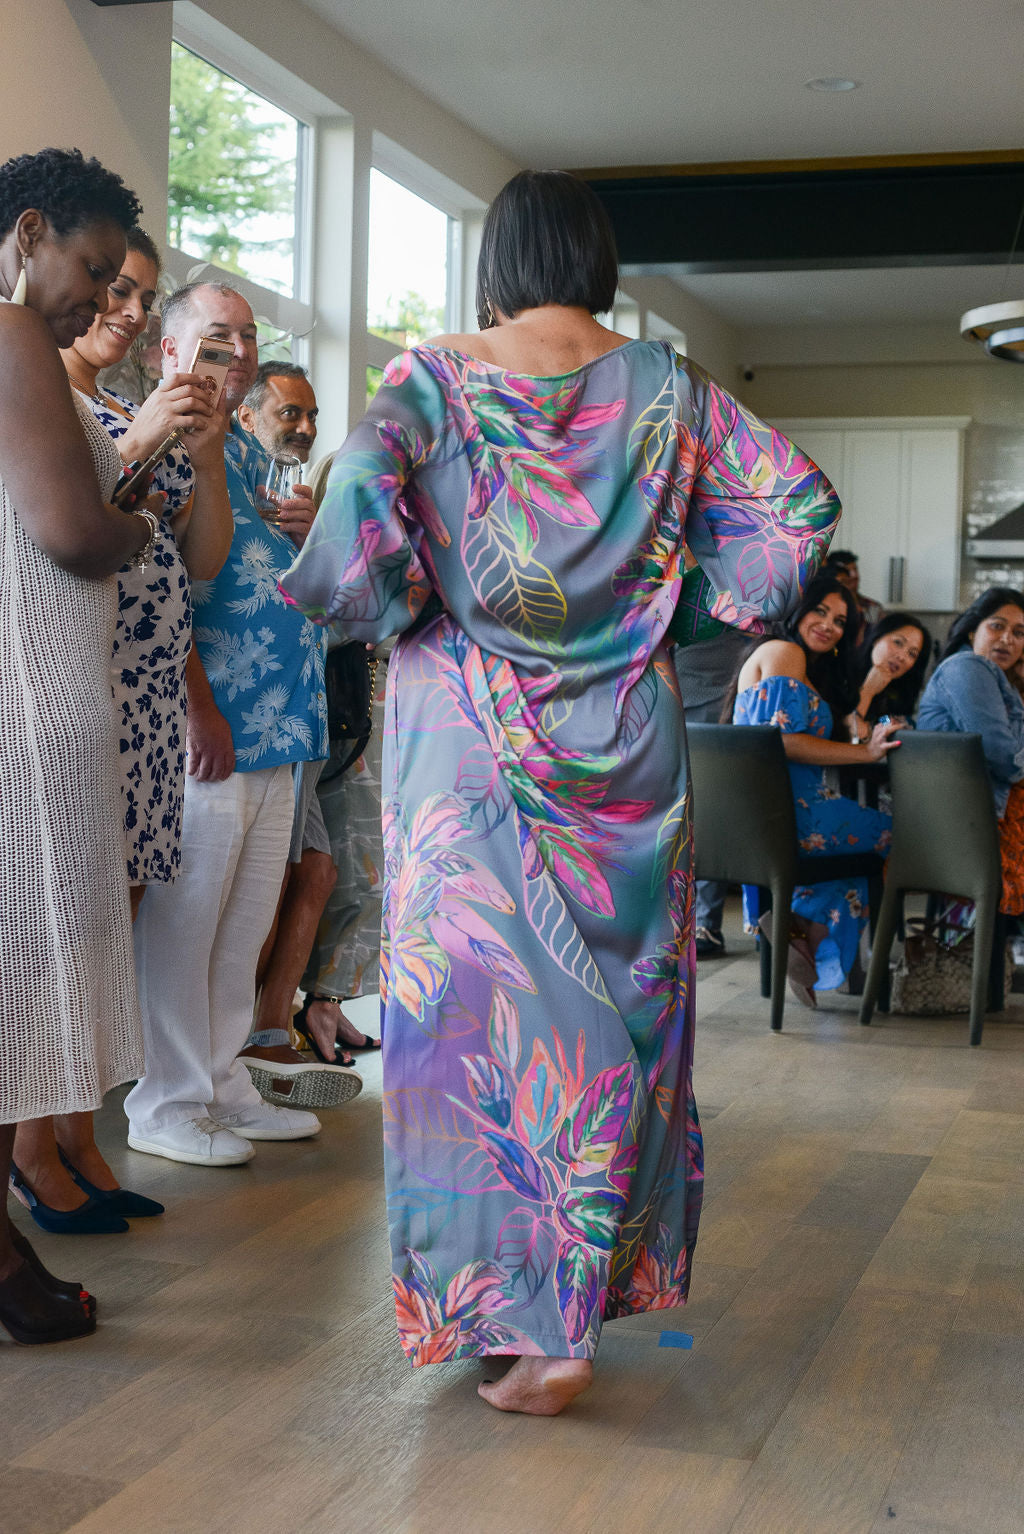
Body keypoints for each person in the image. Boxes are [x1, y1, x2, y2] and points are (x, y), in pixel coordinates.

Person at [280, 169, 840, 1414]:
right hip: (630, 748)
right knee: (619, 1031)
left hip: (469, 738)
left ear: (497, 257)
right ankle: (561, 1317)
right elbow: (794, 511)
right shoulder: (671, 389)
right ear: (596, 259)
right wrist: (674, 609)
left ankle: (520, 1318)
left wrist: (413, 603)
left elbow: (352, 542)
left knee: (474, 1029)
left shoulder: (433, 376)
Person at [8, 228, 237, 1234]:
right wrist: (142, 441)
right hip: (76, 668)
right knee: (57, 927)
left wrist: (208, 454)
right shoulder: (48, 391)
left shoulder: (120, 408)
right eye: (113, 285)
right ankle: (33, 1149)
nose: (124, 306)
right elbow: (72, 526)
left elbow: (198, 560)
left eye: (138, 293)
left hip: (130, 684)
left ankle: (74, 1135)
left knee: (108, 920)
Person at [125, 282, 337, 1167]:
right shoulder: (158, 439)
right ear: (168, 351)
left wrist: (316, 526)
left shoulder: (247, 453)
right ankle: (166, 1100)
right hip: (207, 725)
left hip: (280, 725)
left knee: (240, 923)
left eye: (248, 338)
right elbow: (171, 589)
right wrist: (197, 707)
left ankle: (221, 1083)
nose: (240, 352)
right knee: (187, 919)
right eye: (219, 337)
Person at [0, 147, 155, 1343]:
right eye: (93, 269)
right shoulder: (8, 335)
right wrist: (136, 514)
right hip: (31, 705)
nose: (99, 300)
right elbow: (72, 535)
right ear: (29, 229)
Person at [230, 365, 365, 1100]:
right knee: (278, 874)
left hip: (307, 714)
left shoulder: (304, 502)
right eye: (289, 411)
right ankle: (245, 1037)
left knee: (312, 870)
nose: (305, 426)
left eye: (312, 414)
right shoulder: (228, 486)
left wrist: (318, 543)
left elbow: (334, 610)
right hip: (246, 716)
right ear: (248, 417)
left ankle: (267, 1031)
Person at [732, 574, 898, 1005]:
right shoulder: (783, 652)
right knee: (897, 833)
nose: (830, 625)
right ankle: (816, 935)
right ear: (797, 610)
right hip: (790, 813)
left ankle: (802, 931)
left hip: (775, 813)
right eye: (820, 611)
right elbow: (782, 742)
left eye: (841, 620)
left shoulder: (795, 663)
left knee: (854, 857)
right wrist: (867, 755)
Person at [918, 587, 1024, 915]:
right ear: (972, 629)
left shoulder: (998, 681)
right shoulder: (967, 667)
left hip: (984, 816)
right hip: (971, 822)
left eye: (1019, 633)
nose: (1007, 639)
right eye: (997, 626)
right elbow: (1005, 759)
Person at [847, 610, 931, 737]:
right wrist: (868, 691)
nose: (902, 656)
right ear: (877, 638)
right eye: (898, 642)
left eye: (912, 654)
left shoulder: (895, 691)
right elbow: (848, 732)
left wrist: (889, 723)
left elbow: (880, 720)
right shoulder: (842, 674)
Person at [238, 361, 319, 462]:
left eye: (311, 416)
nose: (308, 430)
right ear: (247, 419)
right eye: (289, 413)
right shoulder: (221, 475)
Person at [824, 547, 883, 646]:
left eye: (855, 569)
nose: (854, 575)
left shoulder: (874, 608)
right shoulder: (826, 607)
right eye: (847, 571)